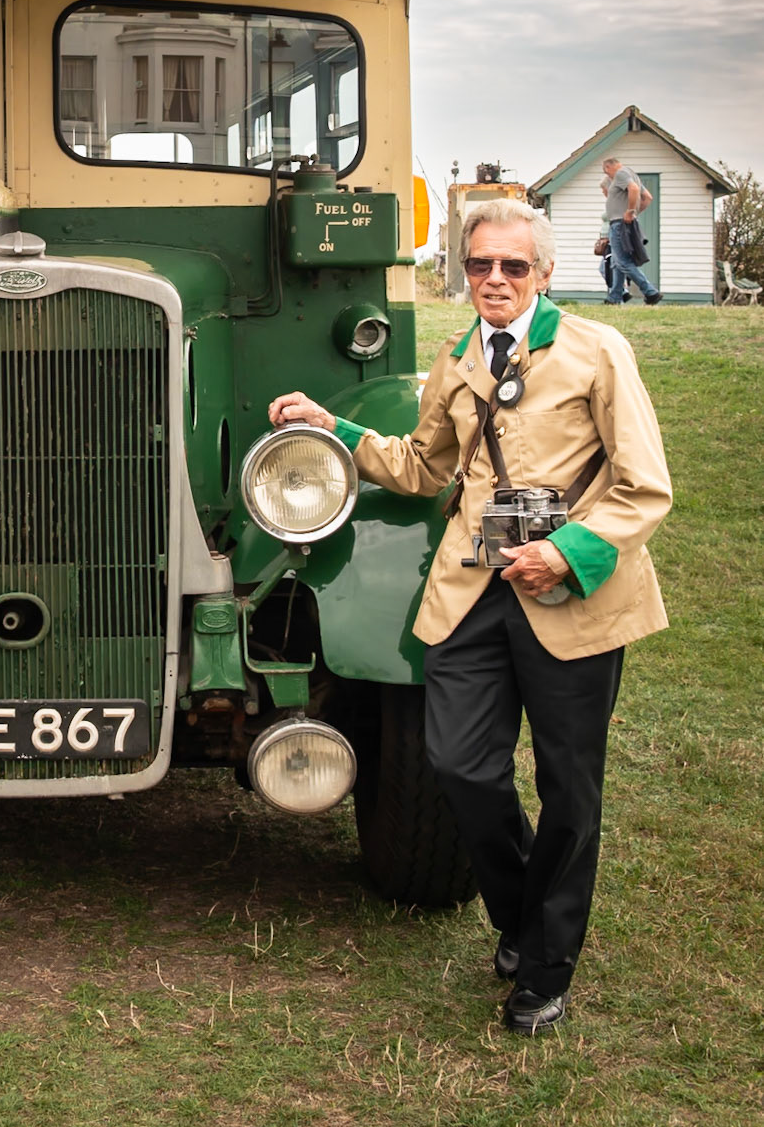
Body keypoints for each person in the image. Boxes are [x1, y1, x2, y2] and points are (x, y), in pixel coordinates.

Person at [268, 198, 671, 1036]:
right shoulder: (458, 360)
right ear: (464, 270)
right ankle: (525, 914)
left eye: (513, 267)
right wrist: (333, 426)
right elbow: (421, 466)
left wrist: (566, 555)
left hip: (572, 599)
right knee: (460, 767)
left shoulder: (598, 351)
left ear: (544, 273)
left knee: (568, 788)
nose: (495, 279)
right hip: (471, 596)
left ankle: (545, 964)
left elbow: (644, 487)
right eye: (480, 264)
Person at [600, 154, 661, 305]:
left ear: (608, 167)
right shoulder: (632, 174)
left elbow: (633, 189)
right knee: (617, 262)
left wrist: (630, 211)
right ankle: (614, 297)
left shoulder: (621, 173)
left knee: (622, 262)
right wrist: (633, 213)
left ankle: (650, 292)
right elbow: (647, 197)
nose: (607, 174)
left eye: (605, 171)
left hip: (619, 224)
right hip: (623, 223)